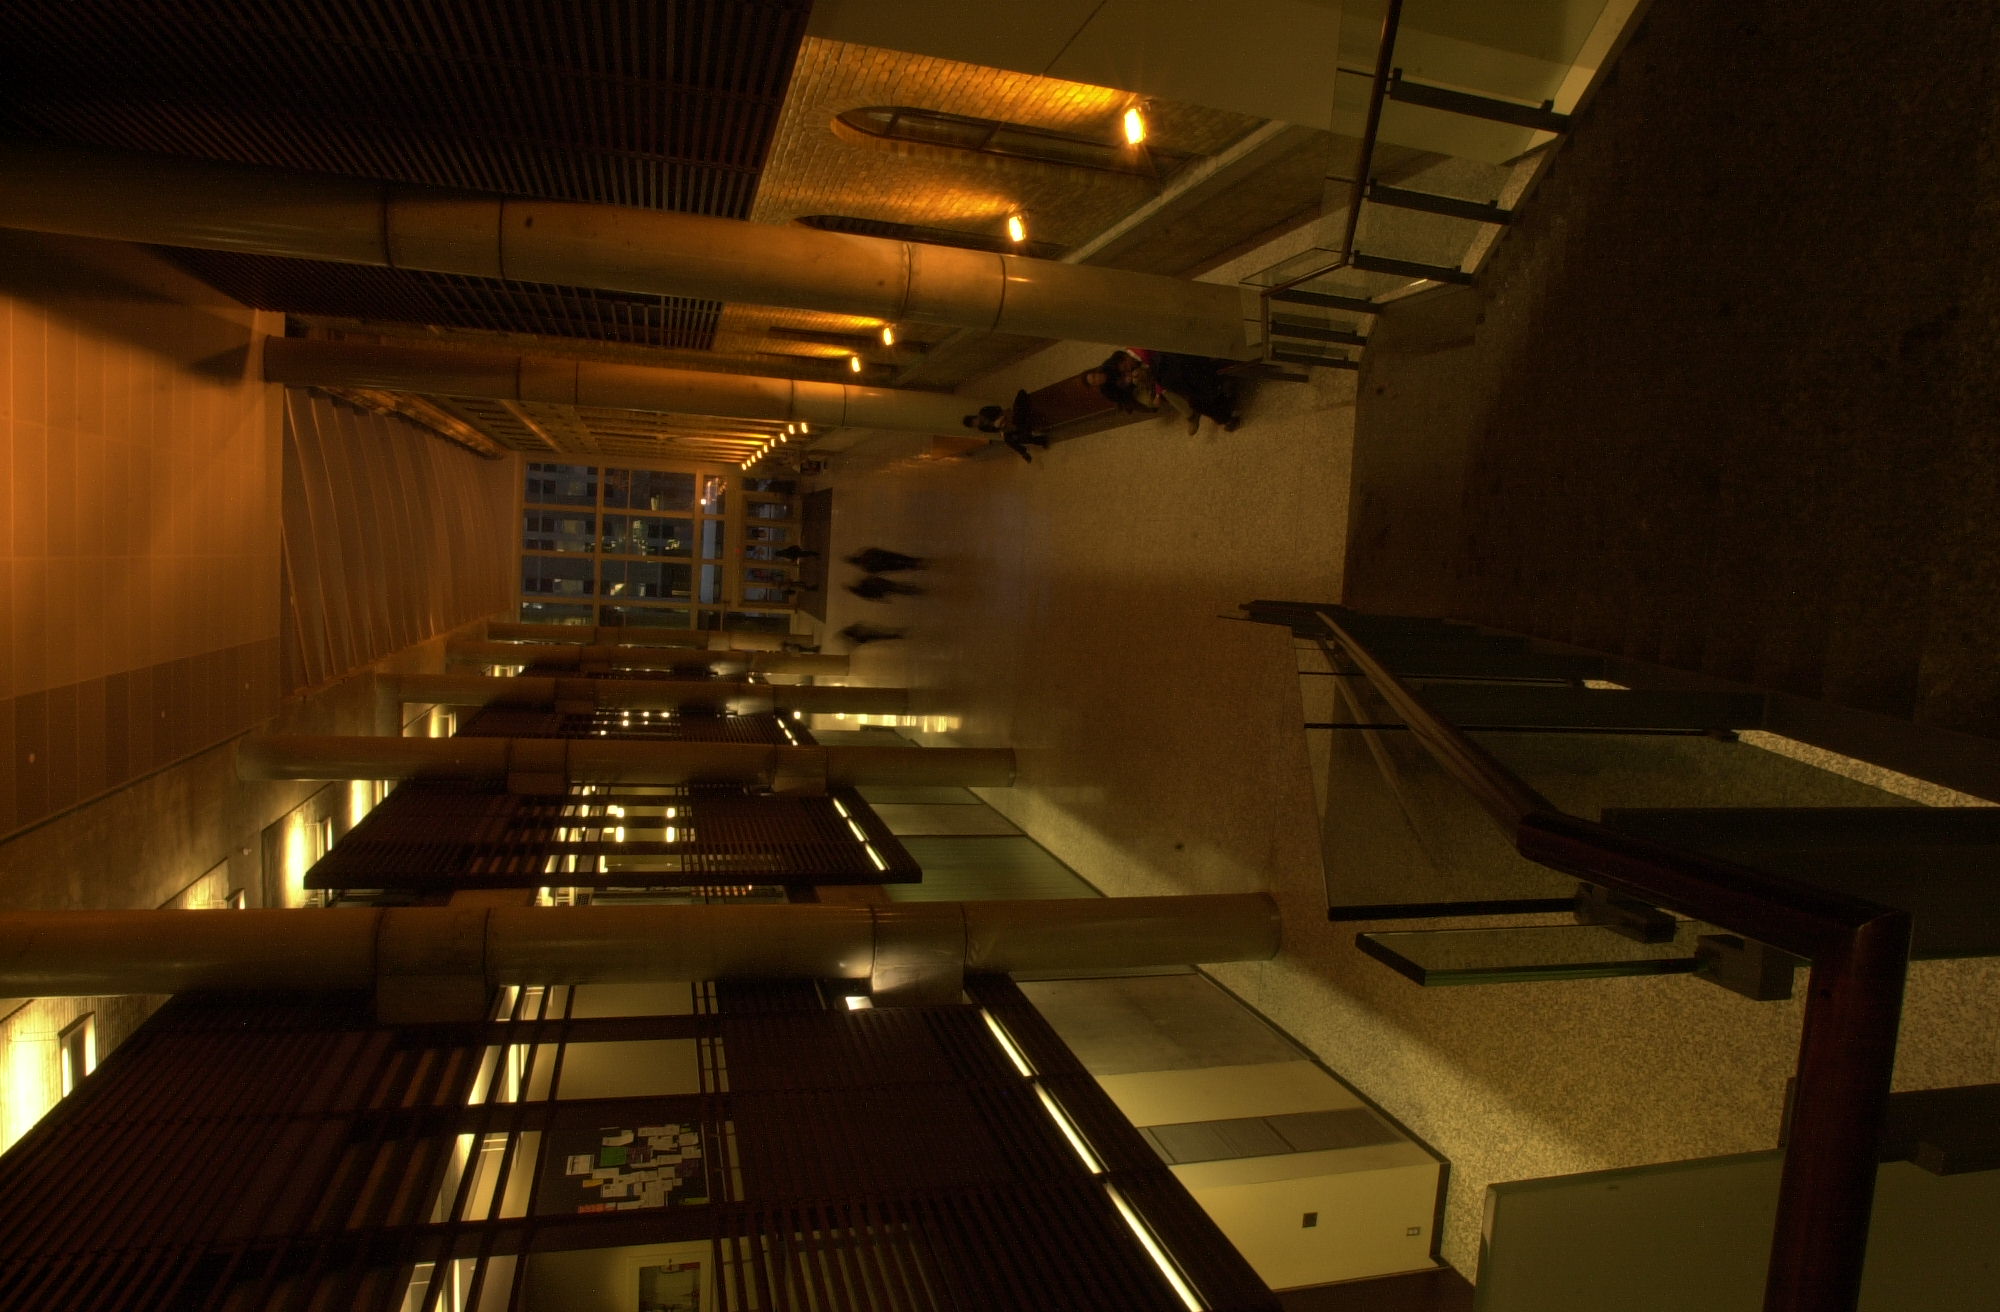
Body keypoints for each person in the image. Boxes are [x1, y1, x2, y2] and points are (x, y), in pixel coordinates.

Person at [847, 574, 923, 602]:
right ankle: (913, 589)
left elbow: (871, 596)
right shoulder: (861, 585)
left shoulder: (861, 591)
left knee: (897, 589)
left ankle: (914, 591)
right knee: (897, 587)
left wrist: (881, 598)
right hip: (883, 586)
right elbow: (872, 579)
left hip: (882, 589)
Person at [845, 547, 926, 573]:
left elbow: (875, 571)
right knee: (902, 558)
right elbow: (877, 550)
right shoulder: (866, 553)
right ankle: (916, 561)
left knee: (901, 566)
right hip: (888, 557)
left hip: (887, 565)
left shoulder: (865, 567)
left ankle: (916, 566)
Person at [839, 623, 907, 646]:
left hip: (871, 635)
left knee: (883, 635)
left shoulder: (855, 637)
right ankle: (898, 634)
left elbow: (861, 641)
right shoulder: (855, 630)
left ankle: (897, 635)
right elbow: (860, 625)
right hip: (871, 632)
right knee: (884, 632)